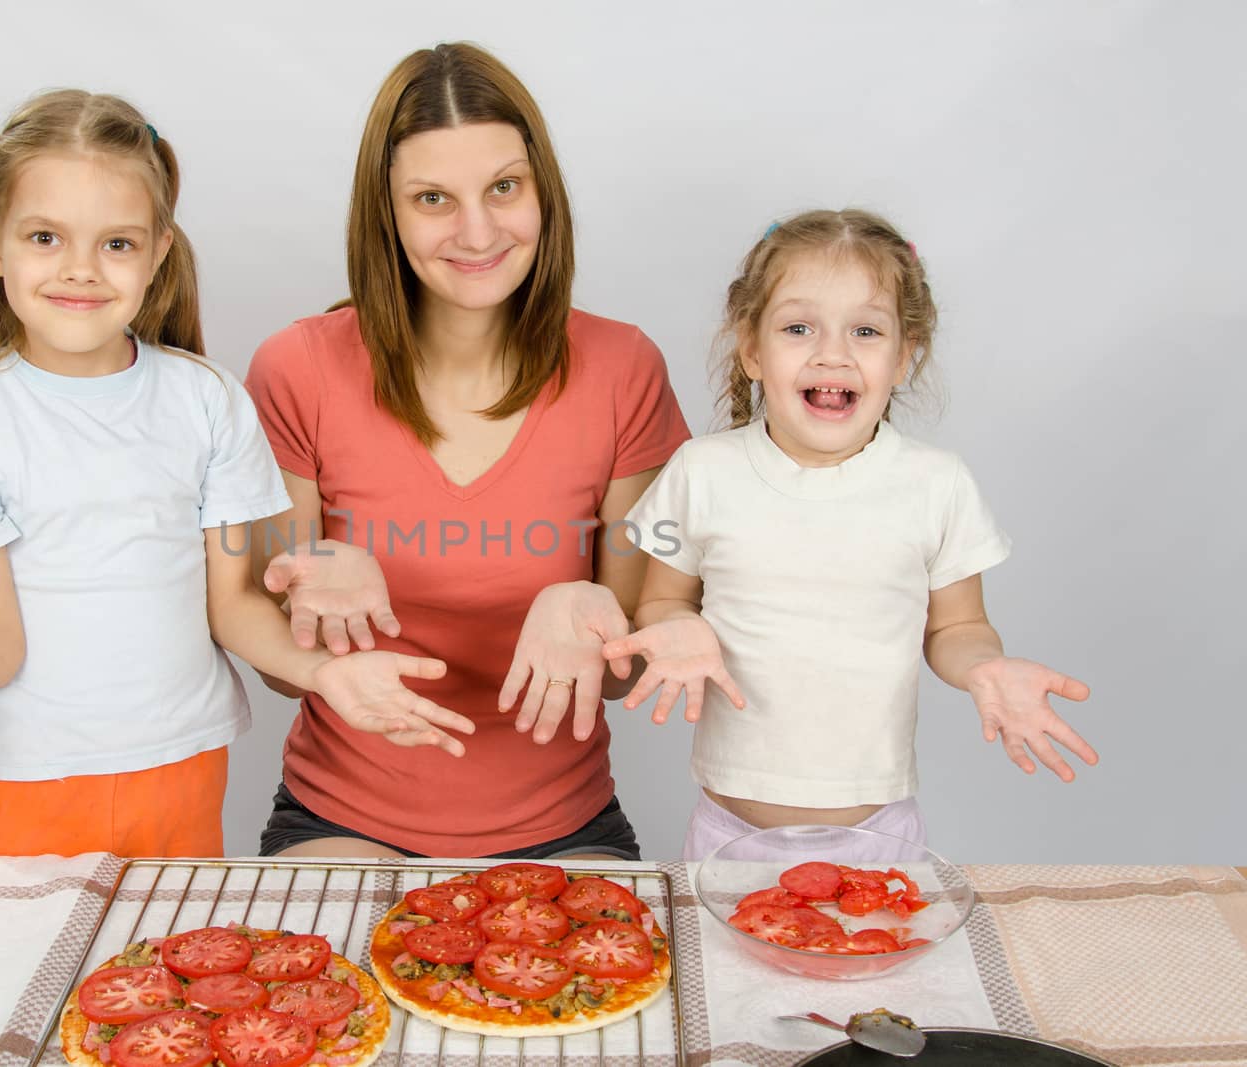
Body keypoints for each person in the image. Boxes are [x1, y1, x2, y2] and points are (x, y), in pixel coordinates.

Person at [0, 89, 466, 858]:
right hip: (38, 778)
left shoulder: (206, 399)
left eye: (117, 244)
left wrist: (324, 674)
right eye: (44, 237)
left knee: (161, 972)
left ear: (160, 249)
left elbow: (229, 608)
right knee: (31, 972)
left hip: (185, 765)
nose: (81, 270)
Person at [244, 44, 692, 860]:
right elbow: (278, 661)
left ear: (541, 192)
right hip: (340, 818)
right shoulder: (296, 369)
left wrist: (589, 616)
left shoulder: (626, 370)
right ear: (387, 214)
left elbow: (631, 661)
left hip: (566, 828)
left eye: (503, 188)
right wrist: (318, 588)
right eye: (432, 198)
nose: (478, 231)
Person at [604, 209, 1098, 859]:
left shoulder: (936, 484)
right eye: (798, 327)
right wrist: (676, 623)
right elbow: (660, 600)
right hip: (728, 834)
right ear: (752, 349)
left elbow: (956, 627)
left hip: (878, 837)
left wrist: (985, 666)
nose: (831, 352)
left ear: (903, 357)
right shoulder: (703, 471)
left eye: (866, 330)